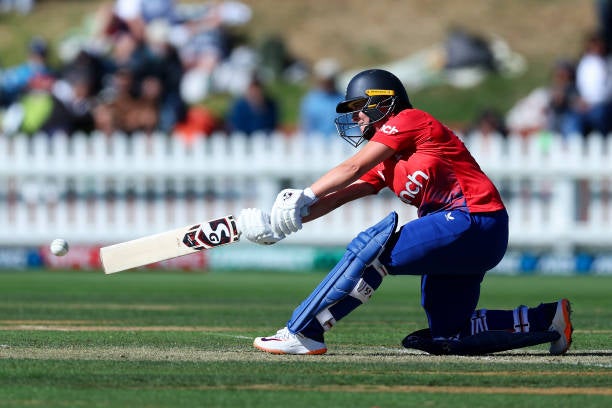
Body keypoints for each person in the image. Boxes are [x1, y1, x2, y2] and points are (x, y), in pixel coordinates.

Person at [237, 69, 573, 356]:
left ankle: (304, 332)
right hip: (468, 234)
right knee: (449, 333)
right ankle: (547, 318)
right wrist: (281, 222)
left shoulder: (410, 119)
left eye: (360, 107)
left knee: (372, 252)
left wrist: (306, 192)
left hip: (473, 220)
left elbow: (353, 167)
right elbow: (341, 195)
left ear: (383, 101)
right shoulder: (387, 160)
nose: (356, 117)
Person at [299, 58, 344, 138]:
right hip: (316, 143)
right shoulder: (310, 100)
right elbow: (306, 127)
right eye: (324, 80)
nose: (327, 83)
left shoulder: (343, 99)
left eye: (330, 80)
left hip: (340, 143)